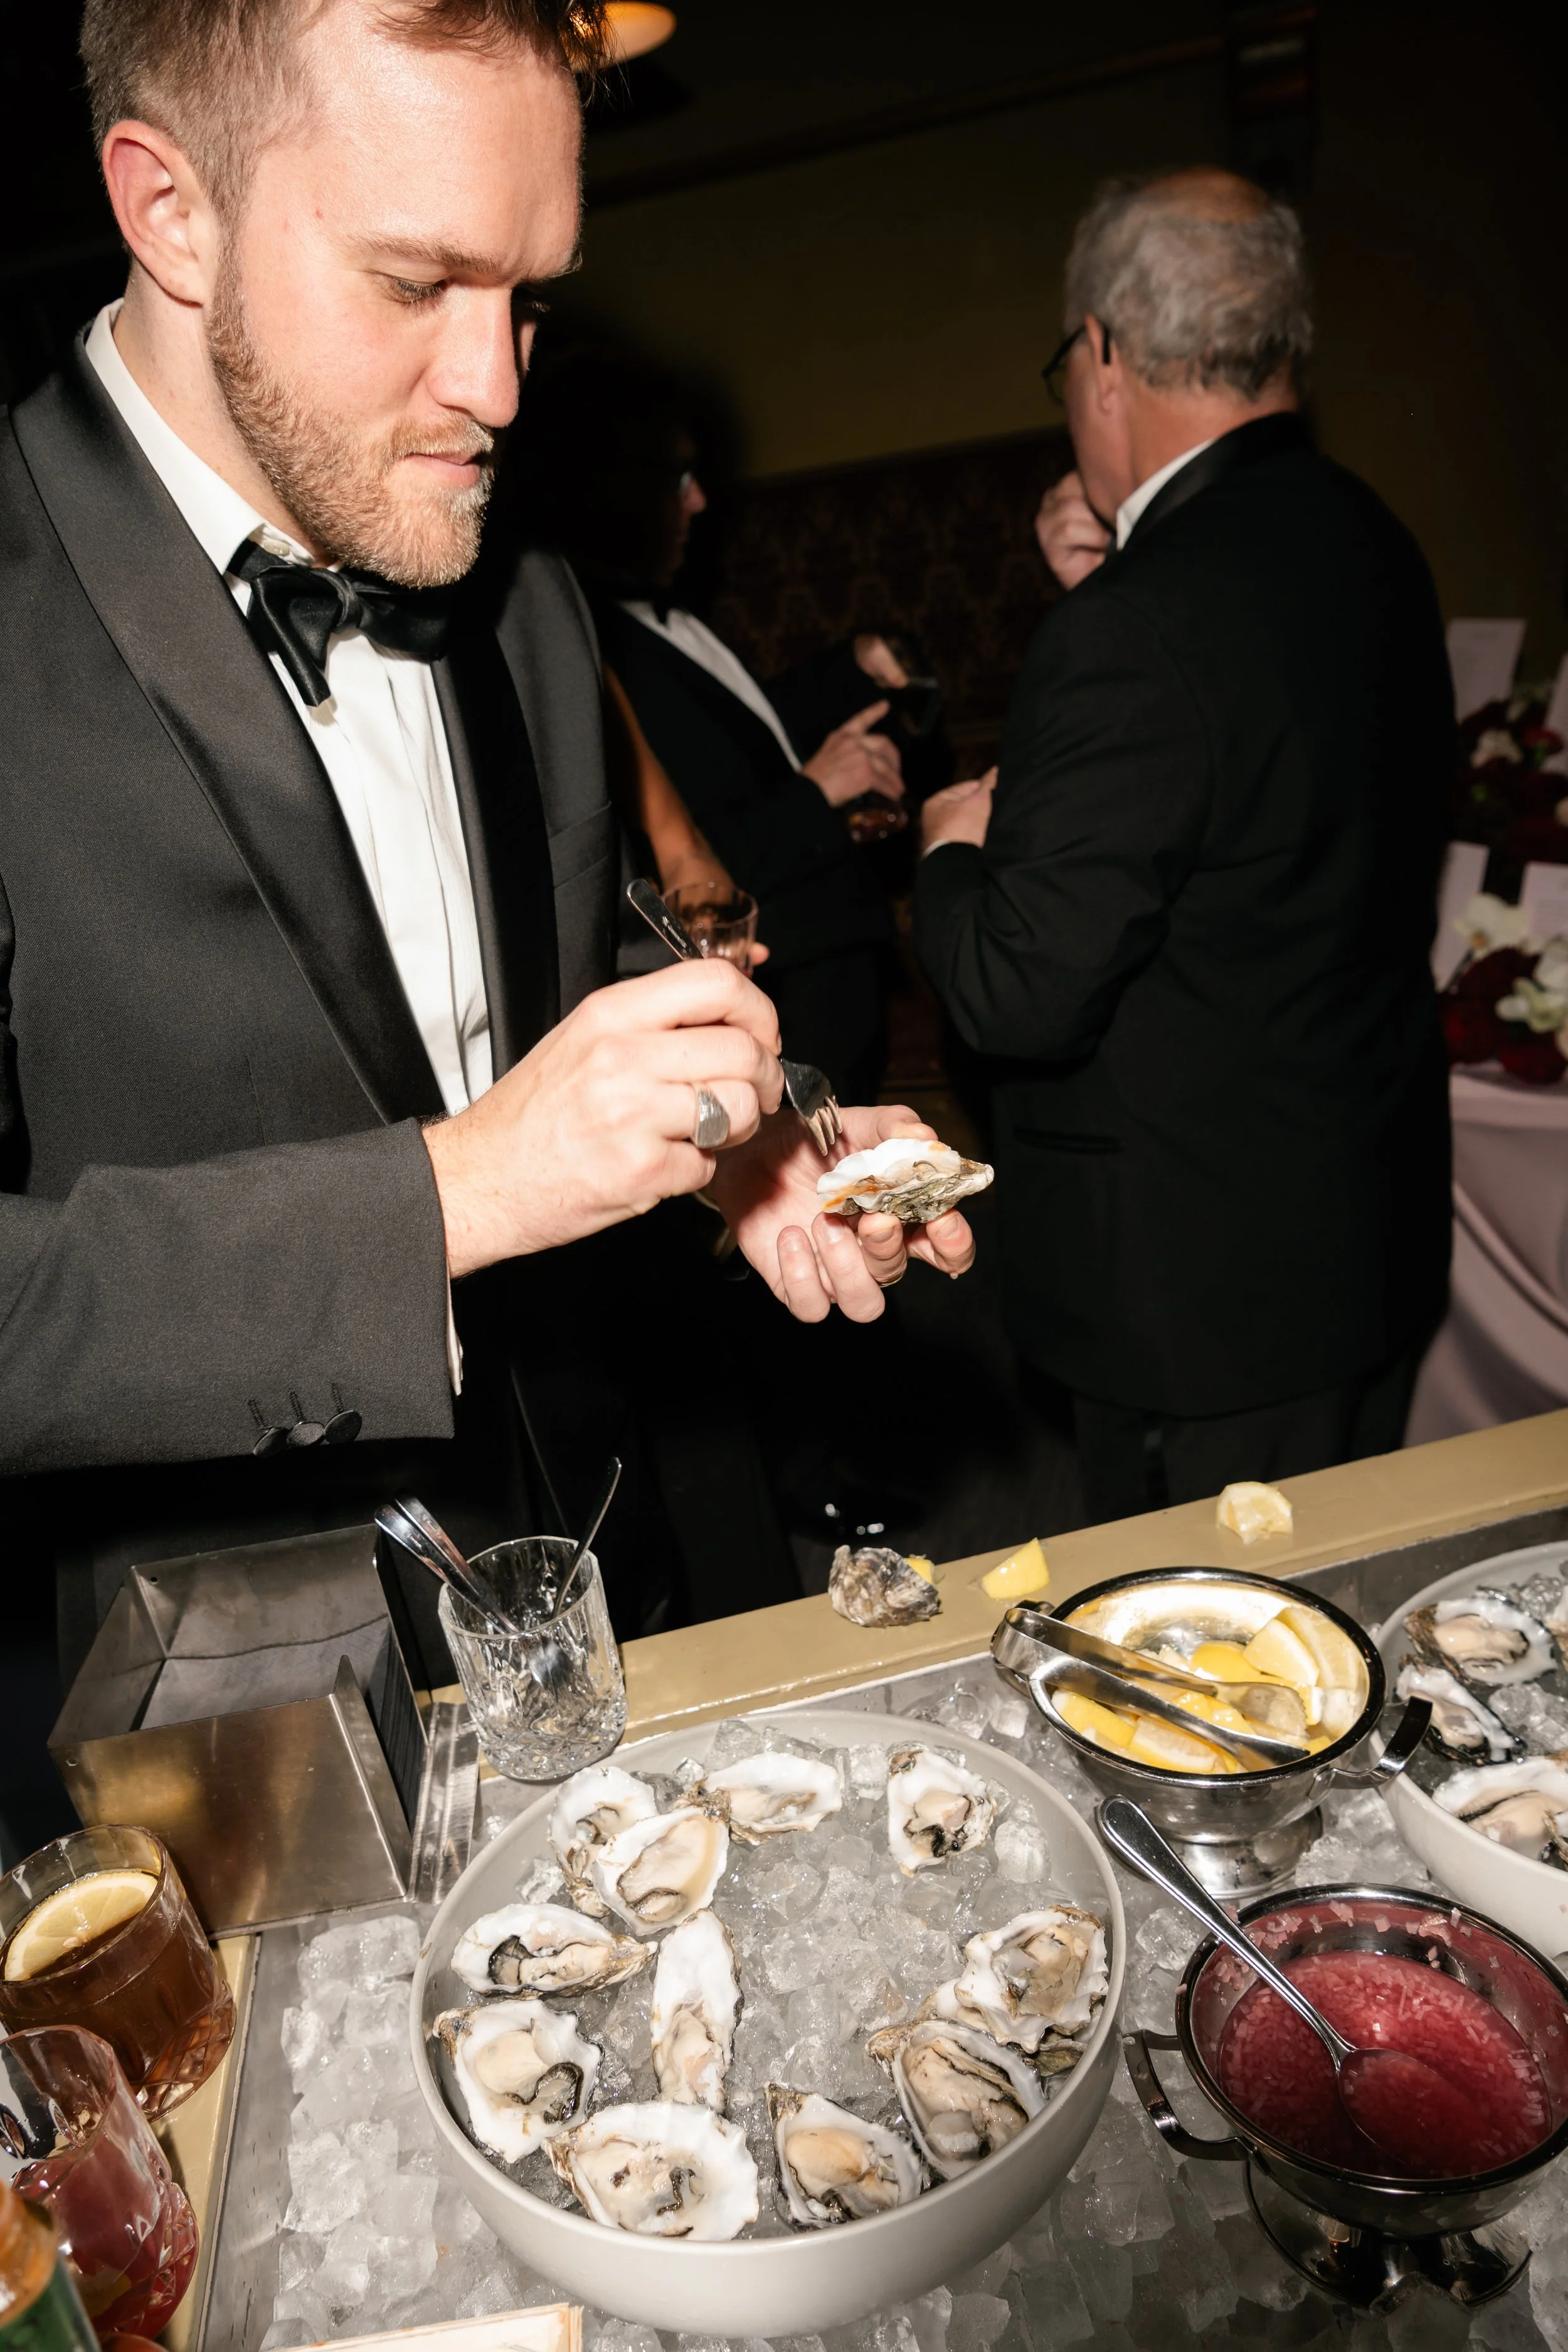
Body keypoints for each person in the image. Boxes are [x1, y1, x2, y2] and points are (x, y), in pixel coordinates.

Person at [0, 0, 975, 1682]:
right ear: (171, 210)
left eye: (530, 294)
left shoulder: (519, 588)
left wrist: (743, 1141)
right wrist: (454, 1196)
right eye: (415, 282)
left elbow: (558, 943)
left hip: (606, 1559)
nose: (498, 385)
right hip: (242, 1705)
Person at [915, 169, 1453, 1522]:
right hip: (1362, 1234)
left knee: (1215, 1689)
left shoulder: (1136, 632)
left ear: (1099, 349)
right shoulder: (1372, 540)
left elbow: (1014, 992)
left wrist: (948, 853)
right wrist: (1115, 582)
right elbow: (1264, 806)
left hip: (1194, 1307)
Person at [517, 350, 908, 1102]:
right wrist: (812, 793)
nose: (698, 503)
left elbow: (747, 745)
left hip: (836, 968)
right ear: (602, 487)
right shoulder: (582, 645)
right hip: (778, 990)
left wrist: (853, 672)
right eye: (675, 479)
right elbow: (669, 849)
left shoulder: (677, 623)